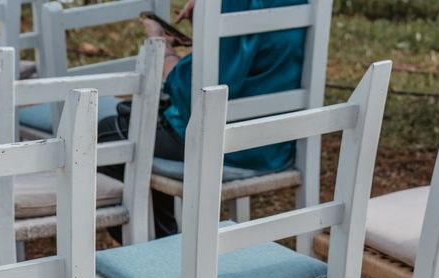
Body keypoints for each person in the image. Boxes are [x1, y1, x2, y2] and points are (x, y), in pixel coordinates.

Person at [101, 0, 308, 239]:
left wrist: (163, 50)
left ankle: (164, 253)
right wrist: (211, 21)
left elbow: (197, 92)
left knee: (107, 137)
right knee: (135, 127)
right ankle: (167, 244)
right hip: (276, 144)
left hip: (229, 147)